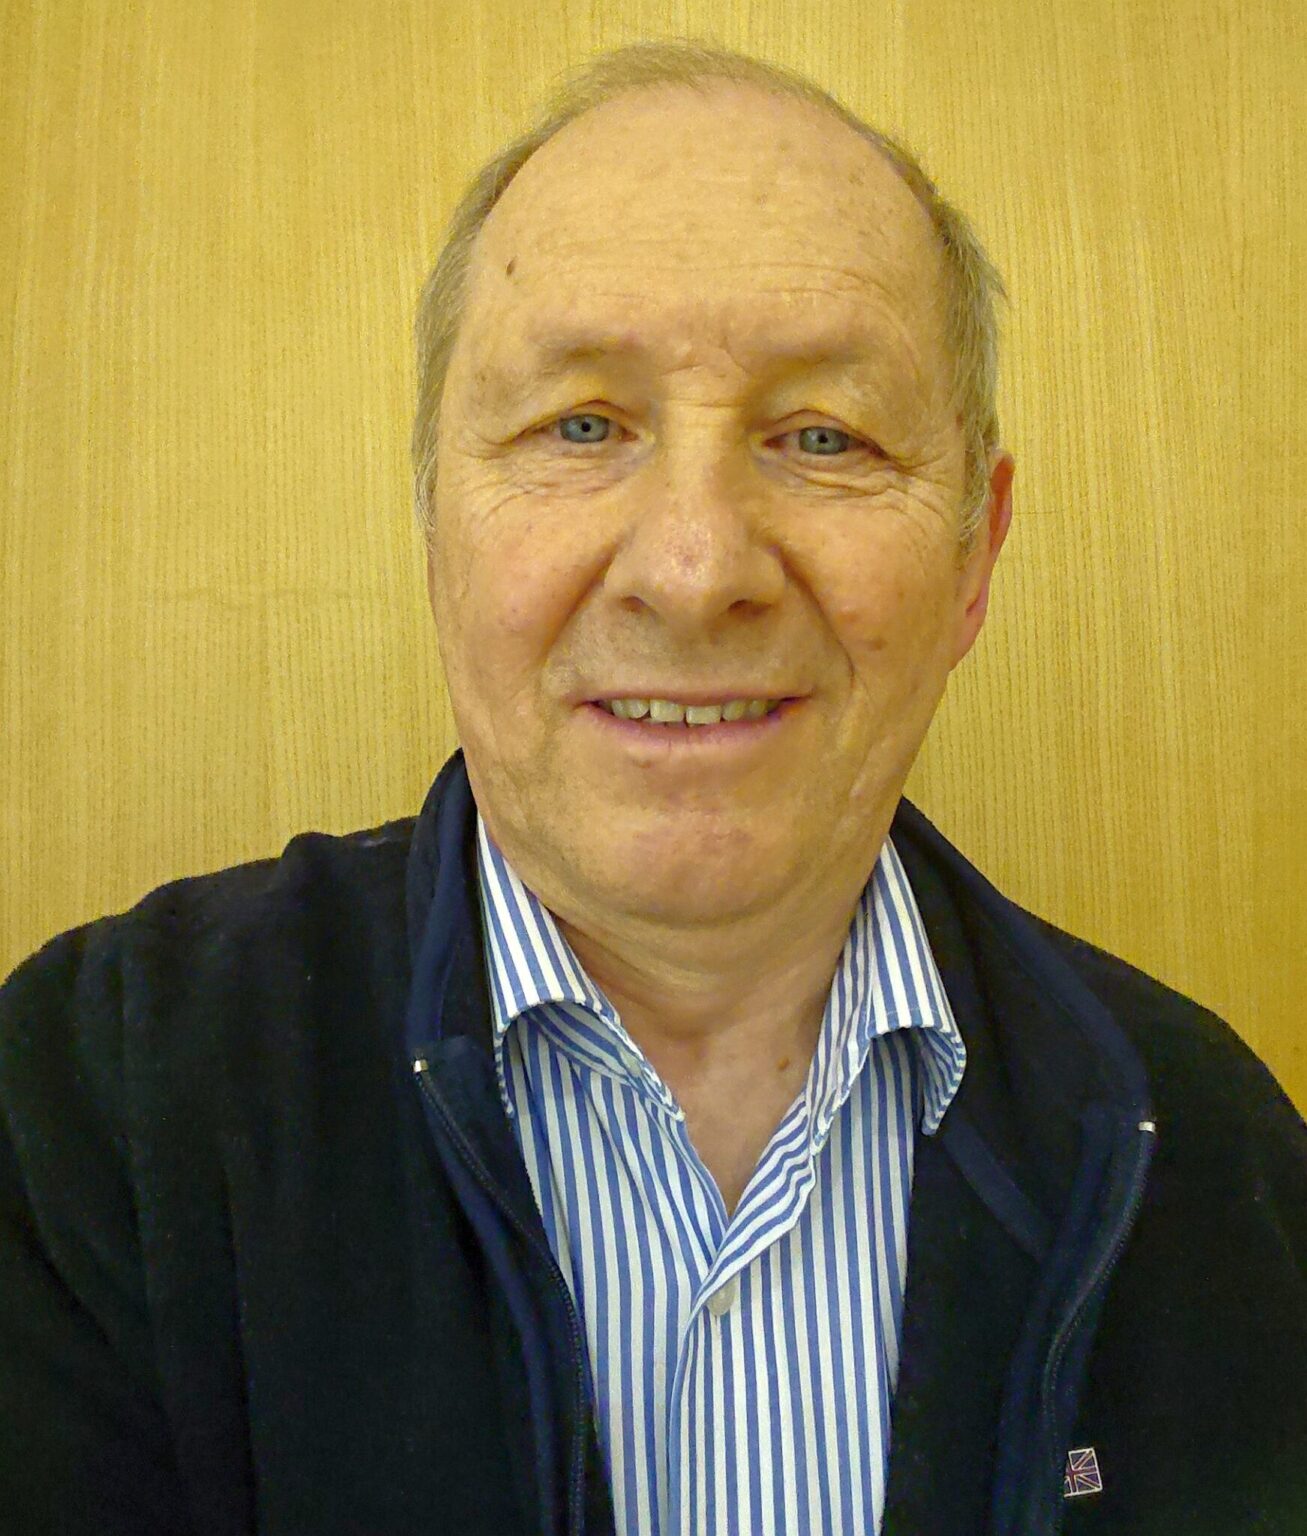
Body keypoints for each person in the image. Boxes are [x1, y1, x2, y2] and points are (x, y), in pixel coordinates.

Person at [2, 39, 1304, 1536]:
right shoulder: (97, 1110)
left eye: (823, 437)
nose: (693, 571)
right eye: (581, 427)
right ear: (435, 521)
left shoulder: (1212, 1161)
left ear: (974, 558)